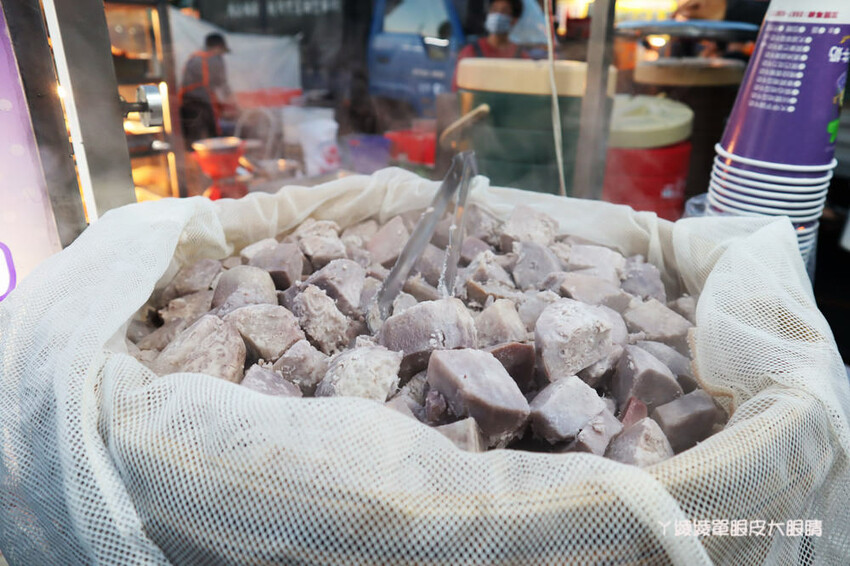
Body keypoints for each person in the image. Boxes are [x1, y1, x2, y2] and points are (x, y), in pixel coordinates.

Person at [451, 0, 526, 91]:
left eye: (504, 11)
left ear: (514, 20)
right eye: (494, 10)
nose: (497, 15)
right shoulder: (471, 53)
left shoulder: (522, 58)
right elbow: (458, 91)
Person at [179, 33, 236, 146]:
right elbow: (222, 83)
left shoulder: (194, 57)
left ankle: (191, 156)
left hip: (186, 103)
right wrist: (233, 102)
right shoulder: (215, 59)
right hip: (202, 103)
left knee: (192, 140)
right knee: (212, 138)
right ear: (218, 47)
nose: (222, 54)